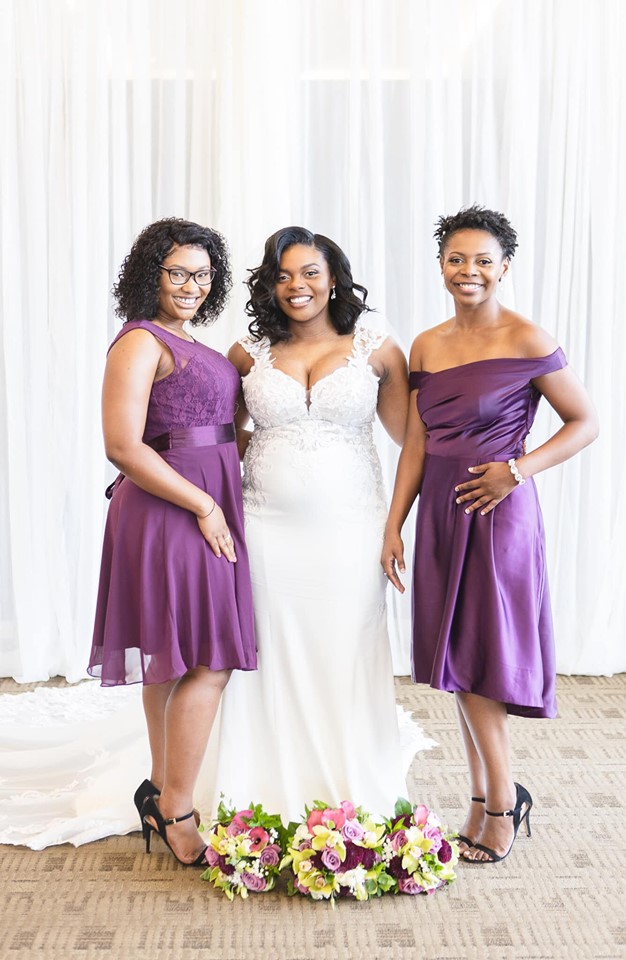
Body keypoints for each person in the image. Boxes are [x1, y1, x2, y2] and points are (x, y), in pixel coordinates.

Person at [382, 205, 598, 863]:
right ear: (441, 266)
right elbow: (417, 439)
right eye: (456, 259)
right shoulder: (427, 343)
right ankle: (479, 800)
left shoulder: (528, 338)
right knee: (456, 659)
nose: (468, 271)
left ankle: (503, 801)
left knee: (480, 656)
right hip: (442, 513)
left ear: (504, 267)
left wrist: (517, 471)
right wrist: (394, 523)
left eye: (482, 260)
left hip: (499, 511)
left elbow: (583, 421)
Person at [206, 225, 421, 822]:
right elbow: (224, 438)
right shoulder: (247, 354)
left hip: (353, 529)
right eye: (282, 275)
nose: (296, 286)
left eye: (308, 273)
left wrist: (394, 526)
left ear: (333, 279)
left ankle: (350, 787)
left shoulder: (375, 346)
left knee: (346, 650)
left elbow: (411, 441)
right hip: (265, 529)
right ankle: (262, 789)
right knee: (269, 653)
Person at [88, 218, 256, 866]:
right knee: (209, 658)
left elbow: (219, 429)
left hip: (198, 504)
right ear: (151, 274)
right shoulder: (138, 341)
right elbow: (122, 445)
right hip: (171, 509)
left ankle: (161, 789)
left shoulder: (192, 342)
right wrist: (206, 504)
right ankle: (176, 807)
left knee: (178, 653)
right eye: (178, 272)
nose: (190, 285)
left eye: (202, 275)